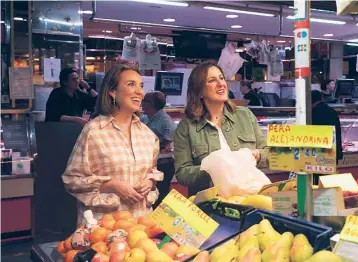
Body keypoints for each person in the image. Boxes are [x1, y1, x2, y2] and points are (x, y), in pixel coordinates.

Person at [62, 64, 163, 225]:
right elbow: (72, 180)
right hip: (103, 229)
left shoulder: (148, 135)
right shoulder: (94, 131)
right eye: (131, 84)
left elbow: (152, 172)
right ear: (112, 92)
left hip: (140, 228)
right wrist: (111, 185)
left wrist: (150, 182)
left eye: (141, 86)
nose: (140, 91)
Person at [174, 61, 269, 196]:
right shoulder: (186, 127)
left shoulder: (245, 115)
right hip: (210, 207)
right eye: (212, 80)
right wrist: (211, 168)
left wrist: (256, 155)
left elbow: (269, 153)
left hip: (250, 199)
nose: (220, 84)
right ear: (199, 91)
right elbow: (182, 173)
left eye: (221, 78)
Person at [141, 91, 176, 207]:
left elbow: (167, 143)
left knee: (160, 197)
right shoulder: (146, 117)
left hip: (163, 163)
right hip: (151, 163)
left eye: (144, 100)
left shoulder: (165, 121)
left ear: (151, 104)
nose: (141, 102)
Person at [312, 90, 343, 184]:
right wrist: (338, 152)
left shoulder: (312, 113)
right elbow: (337, 132)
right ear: (321, 98)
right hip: (331, 152)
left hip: (316, 155)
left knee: (317, 182)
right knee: (328, 182)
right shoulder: (331, 111)